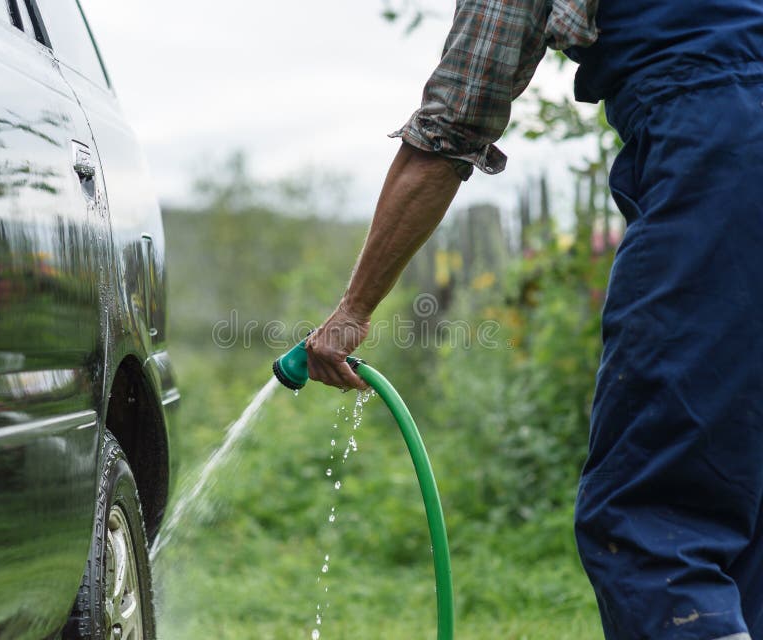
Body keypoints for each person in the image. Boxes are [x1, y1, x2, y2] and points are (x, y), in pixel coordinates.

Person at [305, 0, 763, 637]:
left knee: (653, 523)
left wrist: (352, 310)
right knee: (745, 514)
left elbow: (452, 123)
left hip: (721, 150)